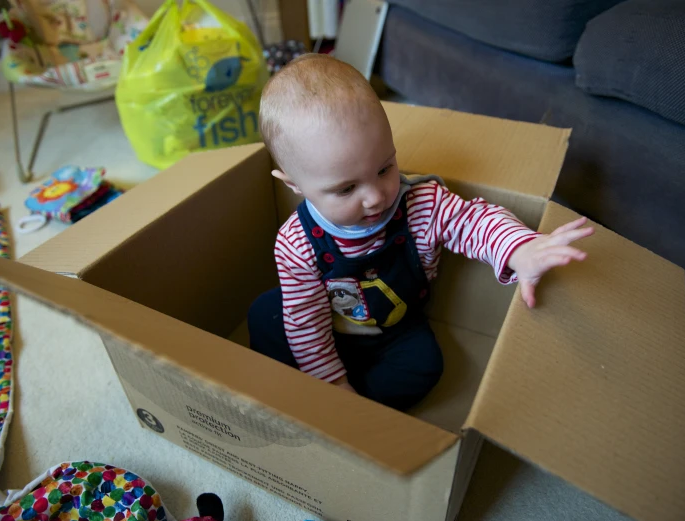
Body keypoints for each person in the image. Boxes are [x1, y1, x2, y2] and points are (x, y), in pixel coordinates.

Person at [247, 54, 593, 410]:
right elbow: (306, 321)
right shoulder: (295, 243)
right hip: (330, 328)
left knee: (425, 364)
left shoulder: (421, 204)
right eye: (346, 189)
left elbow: (473, 221)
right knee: (264, 315)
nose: (376, 196)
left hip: (395, 329)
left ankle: (363, 407)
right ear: (295, 185)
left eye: (384, 168)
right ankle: (318, 394)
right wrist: (331, 380)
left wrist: (521, 250)